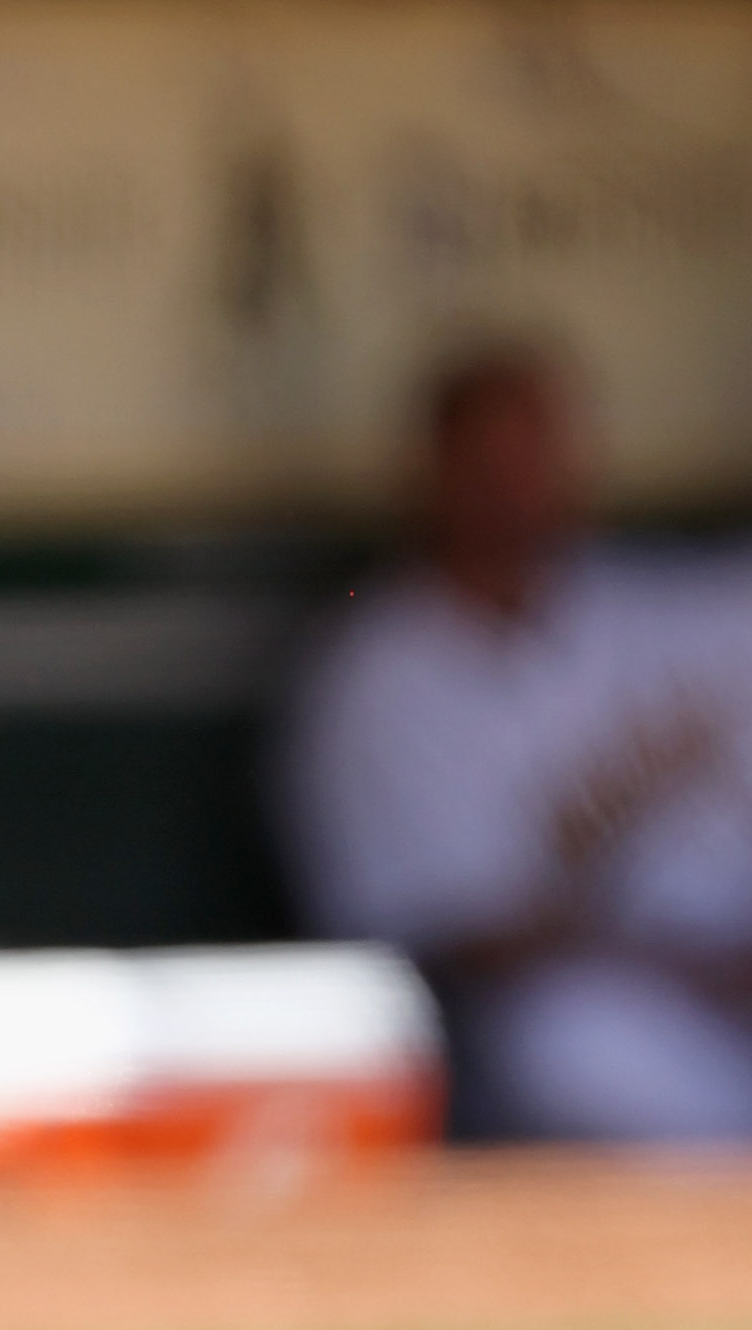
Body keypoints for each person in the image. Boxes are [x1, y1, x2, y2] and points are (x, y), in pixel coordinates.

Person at [284, 344, 752, 1144]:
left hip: (717, 970)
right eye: (488, 460)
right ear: (430, 473)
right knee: (573, 1044)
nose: (515, 485)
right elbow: (452, 940)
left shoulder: (650, 609)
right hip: (562, 1013)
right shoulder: (374, 678)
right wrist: (682, 968)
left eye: (537, 453)